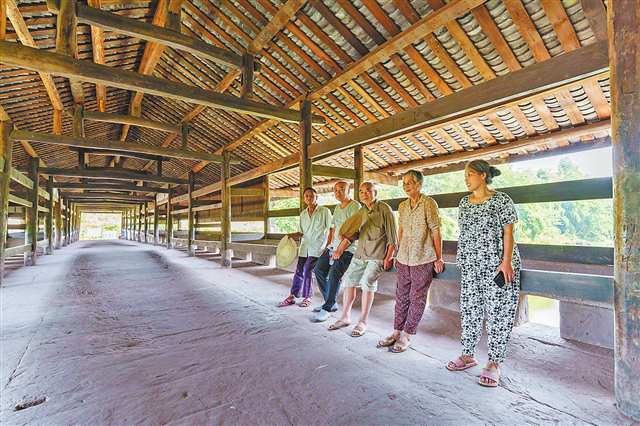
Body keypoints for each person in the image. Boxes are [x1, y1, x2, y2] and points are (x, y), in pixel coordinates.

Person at [446, 160, 521, 388]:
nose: (466, 179)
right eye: (465, 175)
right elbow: (466, 234)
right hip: (471, 266)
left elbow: (509, 232)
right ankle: (468, 355)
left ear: (482, 175)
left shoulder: (501, 200)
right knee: (470, 311)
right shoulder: (464, 203)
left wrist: (506, 262)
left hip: (497, 266)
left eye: (469, 174)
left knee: (498, 313)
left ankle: (494, 363)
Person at [377, 170, 444, 353]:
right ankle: (397, 331)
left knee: (417, 298)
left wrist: (439, 257)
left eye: (411, 182)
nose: (407, 186)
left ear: (419, 185)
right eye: (404, 183)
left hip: (423, 257)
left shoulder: (429, 203)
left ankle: (407, 334)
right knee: (401, 297)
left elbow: (435, 231)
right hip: (403, 258)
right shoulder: (403, 206)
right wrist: (395, 252)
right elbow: (401, 231)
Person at [329, 182, 397, 337]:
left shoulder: (384, 209)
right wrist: (339, 249)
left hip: (377, 255)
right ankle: (345, 317)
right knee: (349, 281)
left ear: (375, 192)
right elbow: (351, 234)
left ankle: (363, 321)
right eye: (361, 191)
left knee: (367, 282)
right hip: (360, 254)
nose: (364, 193)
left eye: (368, 191)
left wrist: (389, 256)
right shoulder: (362, 211)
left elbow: (393, 237)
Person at [312, 181, 361, 322]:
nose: (338, 192)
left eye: (341, 189)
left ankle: (327, 308)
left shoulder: (355, 206)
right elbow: (333, 228)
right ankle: (330, 302)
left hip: (348, 249)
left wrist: (340, 249)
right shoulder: (337, 208)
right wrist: (328, 246)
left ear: (349, 190)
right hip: (333, 247)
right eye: (335, 190)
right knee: (318, 270)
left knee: (334, 274)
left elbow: (355, 231)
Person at [277, 187, 332, 308]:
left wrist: (328, 246)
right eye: (306, 196)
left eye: (311, 195)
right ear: (304, 198)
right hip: (304, 247)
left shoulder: (324, 211)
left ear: (317, 197)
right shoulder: (303, 214)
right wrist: (290, 235)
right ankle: (292, 296)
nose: (309, 198)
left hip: (318, 247)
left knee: (308, 270)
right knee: (298, 270)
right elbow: (301, 232)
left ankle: (308, 297)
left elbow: (331, 228)